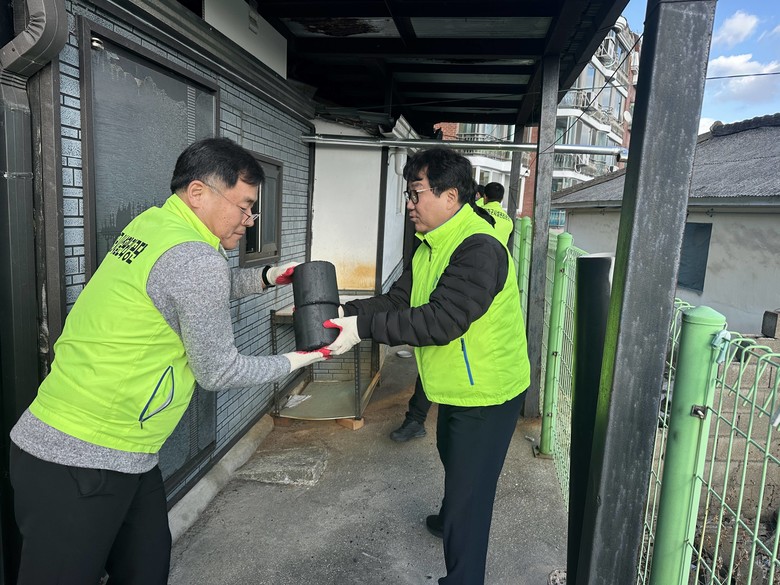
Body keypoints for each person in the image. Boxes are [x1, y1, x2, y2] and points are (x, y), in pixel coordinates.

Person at [9, 137, 328, 585]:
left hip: (126, 454)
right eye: (244, 206)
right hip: (79, 456)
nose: (250, 221)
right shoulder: (195, 258)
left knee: (146, 568)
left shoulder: (154, 225)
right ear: (198, 193)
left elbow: (180, 291)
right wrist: (303, 358)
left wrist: (264, 276)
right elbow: (218, 371)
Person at [324, 147, 530, 585]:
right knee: (453, 461)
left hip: (490, 392)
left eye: (416, 193)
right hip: (456, 387)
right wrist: (346, 310)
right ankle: (453, 513)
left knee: (470, 496)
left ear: (451, 195)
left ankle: (463, 573)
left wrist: (362, 329)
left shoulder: (479, 248)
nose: (409, 203)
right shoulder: (431, 244)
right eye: (408, 193)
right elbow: (401, 301)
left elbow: (442, 320)